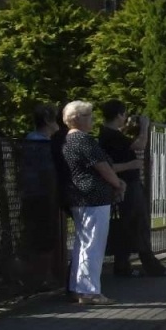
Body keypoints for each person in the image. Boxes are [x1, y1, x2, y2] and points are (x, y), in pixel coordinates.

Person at [61, 101, 126, 306]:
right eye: (88, 115)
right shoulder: (83, 140)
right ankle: (90, 292)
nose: (93, 119)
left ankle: (78, 288)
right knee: (93, 245)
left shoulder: (68, 139)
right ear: (77, 118)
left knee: (82, 243)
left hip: (80, 196)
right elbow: (103, 167)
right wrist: (118, 184)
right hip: (94, 197)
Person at [97, 101, 166, 277]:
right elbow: (139, 145)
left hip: (123, 184)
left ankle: (122, 265)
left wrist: (126, 129)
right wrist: (144, 127)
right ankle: (150, 265)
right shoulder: (112, 136)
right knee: (139, 224)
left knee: (126, 225)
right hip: (128, 185)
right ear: (119, 115)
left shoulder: (106, 135)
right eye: (125, 114)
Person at [17, 104, 63, 289]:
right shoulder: (40, 145)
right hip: (41, 196)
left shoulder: (34, 142)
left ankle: (41, 276)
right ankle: (39, 278)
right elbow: (46, 173)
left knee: (41, 236)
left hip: (36, 194)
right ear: (48, 121)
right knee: (42, 237)